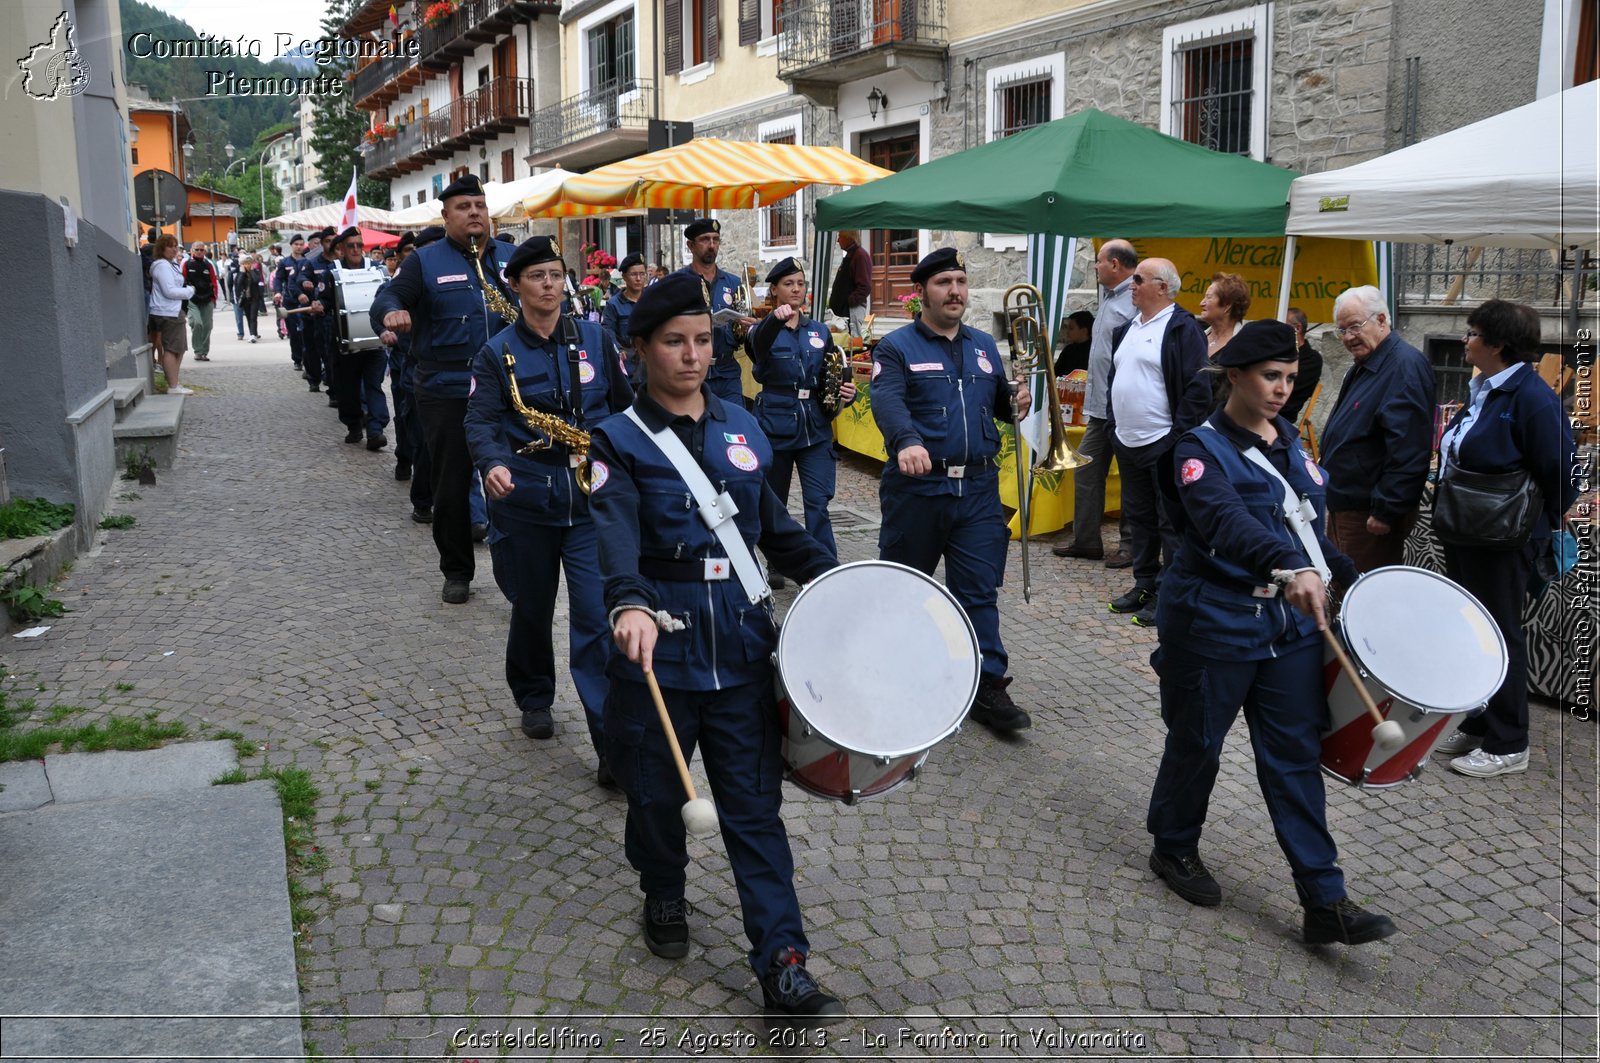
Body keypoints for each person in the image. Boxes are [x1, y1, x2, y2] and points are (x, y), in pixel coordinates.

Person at [586, 272, 846, 1022]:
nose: (692, 355)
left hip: (738, 649)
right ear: (639, 349)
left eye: (703, 340)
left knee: (754, 813)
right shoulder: (617, 439)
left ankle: (784, 963)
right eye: (674, 342)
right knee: (659, 801)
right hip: (657, 657)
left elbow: (774, 528)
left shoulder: (742, 425)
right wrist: (628, 602)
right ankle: (663, 887)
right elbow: (614, 533)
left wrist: (849, 585)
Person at [1145, 319, 1396, 947]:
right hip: (1214, 620)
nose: (1283, 388)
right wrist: (1291, 570)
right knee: (1198, 740)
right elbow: (1226, 522)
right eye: (1269, 376)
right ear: (1235, 377)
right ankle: (1173, 846)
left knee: (1293, 758)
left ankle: (1324, 899)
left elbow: (1312, 530)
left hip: (1288, 629)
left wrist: (1362, 589)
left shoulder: (1293, 446)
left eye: (1289, 377)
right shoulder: (1197, 450)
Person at [464, 234, 632, 761]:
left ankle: (610, 744)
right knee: (532, 610)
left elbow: (629, 410)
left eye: (557, 275)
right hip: (526, 503)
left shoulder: (596, 340)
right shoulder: (496, 354)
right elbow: (481, 419)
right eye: (537, 276)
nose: (550, 285)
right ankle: (534, 696)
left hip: (588, 504)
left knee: (592, 618)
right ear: (514, 286)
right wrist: (492, 463)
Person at [870, 248, 1034, 734]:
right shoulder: (896, 347)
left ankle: (987, 683)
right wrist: (906, 441)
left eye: (961, 281)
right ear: (921, 292)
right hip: (919, 488)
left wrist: (1015, 400)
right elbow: (888, 401)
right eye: (944, 282)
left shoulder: (984, 345)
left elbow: (996, 408)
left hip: (979, 489)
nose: (956, 291)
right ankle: (890, 672)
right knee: (904, 586)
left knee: (978, 591)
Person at [1430, 301, 1579, 779]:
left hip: (1504, 536)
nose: (1464, 340)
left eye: (1472, 333)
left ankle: (1510, 741)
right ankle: (1480, 719)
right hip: (1469, 531)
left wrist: (1542, 520)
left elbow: (1561, 472)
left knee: (1499, 633)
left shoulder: (1532, 398)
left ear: (1496, 345)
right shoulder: (1485, 389)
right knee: (1474, 631)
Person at [371, 174, 519, 604]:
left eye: (480, 205)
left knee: (514, 480)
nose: (474, 212)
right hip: (446, 387)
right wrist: (394, 312)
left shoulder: (511, 258)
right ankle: (457, 571)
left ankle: (515, 570)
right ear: (446, 215)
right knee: (452, 486)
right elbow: (388, 296)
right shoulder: (425, 261)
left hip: (510, 389)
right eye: (463, 207)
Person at [1105, 257, 1212, 626]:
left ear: (1162, 287)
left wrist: (1177, 439)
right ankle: (1144, 583)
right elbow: (1115, 379)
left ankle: (1169, 591)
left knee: (1170, 522)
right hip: (1128, 441)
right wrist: (1113, 426)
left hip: (1163, 442)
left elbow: (1199, 389)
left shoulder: (1183, 328)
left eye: (1138, 279)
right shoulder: (1128, 328)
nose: (1131, 285)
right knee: (1139, 518)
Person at [745, 257, 858, 561]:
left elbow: (831, 373)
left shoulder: (819, 331)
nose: (796, 289)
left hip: (815, 428)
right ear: (775, 290)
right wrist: (774, 320)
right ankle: (779, 562)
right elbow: (757, 349)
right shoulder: (762, 329)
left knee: (818, 502)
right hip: (776, 426)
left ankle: (825, 566)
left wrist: (847, 392)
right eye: (788, 284)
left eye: (800, 283)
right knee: (775, 503)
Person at [1318, 286, 1436, 576]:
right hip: (1349, 504)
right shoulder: (1369, 362)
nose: (1347, 337)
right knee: (1342, 589)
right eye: (1342, 330)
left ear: (1381, 320)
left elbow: (1410, 448)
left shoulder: (1403, 367)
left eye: (1355, 326)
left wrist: (1386, 510)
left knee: (1358, 593)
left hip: (1368, 512)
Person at [1056, 240, 1137, 565]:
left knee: (1132, 480)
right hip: (1100, 408)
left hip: (1124, 408)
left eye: (1098, 262)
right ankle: (1087, 540)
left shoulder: (1133, 298)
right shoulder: (1111, 295)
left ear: (1115, 265)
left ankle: (1130, 547)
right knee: (1086, 473)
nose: (1094, 267)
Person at [674, 218, 755, 405]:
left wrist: (747, 326)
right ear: (690, 245)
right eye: (705, 239)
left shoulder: (733, 283)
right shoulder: (677, 282)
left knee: (734, 427)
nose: (711, 245)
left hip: (727, 372)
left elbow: (745, 320)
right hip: (692, 372)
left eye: (716, 239)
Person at [329, 226, 392, 450]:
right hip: (345, 345)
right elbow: (326, 303)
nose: (356, 250)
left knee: (373, 385)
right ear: (341, 249)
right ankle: (354, 426)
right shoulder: (333, 272)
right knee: (348, 389)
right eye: (351, 246)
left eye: (359, 245)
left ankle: (376, 431)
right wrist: (318, 303)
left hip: (375, 343)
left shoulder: (376, 270)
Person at [147, 234, 195, 395]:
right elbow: (169, 291)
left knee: (178, 348)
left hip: (171, 310)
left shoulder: (170, 264)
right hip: (167, 311)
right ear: (162, 248)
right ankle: (173, 385)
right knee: (172, 349)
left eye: (175, 245)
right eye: (170, 246)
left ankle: (174, 382)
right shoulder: (162, 266)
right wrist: (189, 291)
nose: (174, 249)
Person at [275, 235, 310, 378]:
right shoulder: (285, 262)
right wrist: (277, 292)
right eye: (296, 244)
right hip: (290, 301)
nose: (299, 247)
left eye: (301, 244)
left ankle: (307, 358)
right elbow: (278, 279)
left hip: (304, 301)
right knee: (294, 332)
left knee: (305, 331)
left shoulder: (307, 262)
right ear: (291, 245)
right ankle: (297, 359)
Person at [1280, 307, 1322, 423]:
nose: (1277, 330)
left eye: (1282, 326)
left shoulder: (1311, 360)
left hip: (1280, 419)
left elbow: (1288, 394)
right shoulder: (1278, 352)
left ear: (1297, 328)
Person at [601, 252, 647, 358]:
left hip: (651, 361)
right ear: (624, 277)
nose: (639, 279)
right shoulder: (614, 304)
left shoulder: (652, 300)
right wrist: (618, 349)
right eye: (633, 274)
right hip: (627, 362)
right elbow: (608, 330)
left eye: (642, 274)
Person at [827, 230, 872, 338]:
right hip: (844, 311)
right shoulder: (851, 255)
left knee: (852, 343)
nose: (838, 240)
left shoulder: (860, 255)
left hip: (851, 311)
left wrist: (849, 302)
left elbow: (864, 287)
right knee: (844, 341)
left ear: (849, 238)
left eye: (840, 237)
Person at [1198, 271, 1250, 360]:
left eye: (1209, 297)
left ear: (1227, 305)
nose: (1201, 303)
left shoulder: (1244, 345)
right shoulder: (1196, 338)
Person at [183, 242, 220, 362]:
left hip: (207, 298)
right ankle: (197, 350)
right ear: (192, 251)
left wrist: (214, 298)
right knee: (197, 323)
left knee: (207, 326)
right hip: (192, 298)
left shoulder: (208, 264)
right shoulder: (186, 263)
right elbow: (181, 280)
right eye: (197, 249)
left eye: (201, 250)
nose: (199, 251)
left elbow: (214, 281)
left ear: (204, 251)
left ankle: (204, 352)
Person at [233, 254, 266, 343]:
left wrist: (251, 271)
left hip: (255, 297)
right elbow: (238, 284)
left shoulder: (255, 271)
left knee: (253, 316)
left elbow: (256, 280)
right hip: (245, 298)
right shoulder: (240, 274)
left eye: (249, 263)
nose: (247, 265)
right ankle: (252, 333)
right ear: (242, 264)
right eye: (245, 263)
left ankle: (253, 335)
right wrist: (243, 272)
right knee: (248, 316)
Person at [1053, 310, 1094, 377]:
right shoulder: (1068, 350)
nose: (1067, 332)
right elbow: (1056, 374)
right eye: (1067, 328)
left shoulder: (1094, 350)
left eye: (1071, 328)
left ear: (1084, 331)